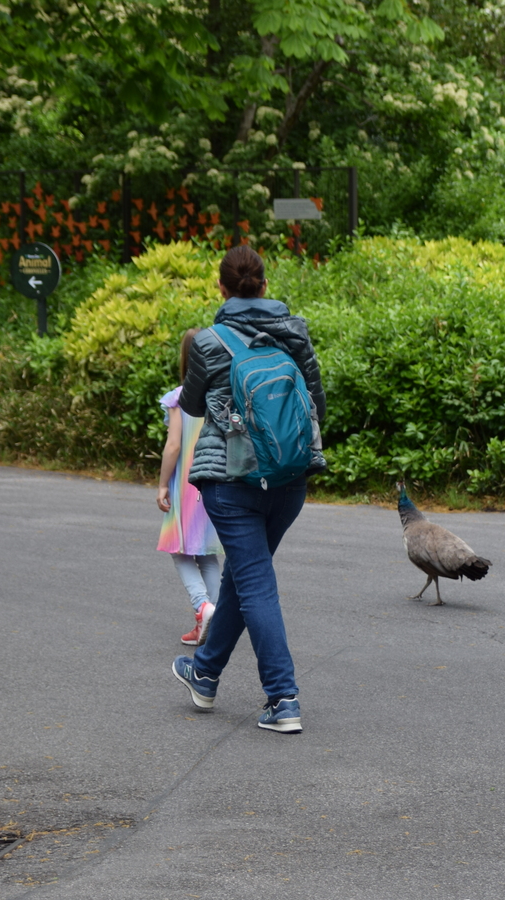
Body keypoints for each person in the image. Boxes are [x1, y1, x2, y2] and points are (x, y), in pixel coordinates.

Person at [170, 244, 326, 734]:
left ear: (222, 287)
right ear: (264, 283)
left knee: (254, 581)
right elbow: (317, 403)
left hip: (231, 481)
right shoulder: (295, 332)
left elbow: (192, 406)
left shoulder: (209, 341)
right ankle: (204, 674)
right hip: (290, 477)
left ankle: (283, 698)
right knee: (244, 575)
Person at [156, 332, 223, 647]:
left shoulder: (179, 398)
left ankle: (202, 606)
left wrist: (161, 485)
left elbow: (173, 446)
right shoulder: (220, 396)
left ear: (185, 358)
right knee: (206, 553)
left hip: (186, 485)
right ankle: (217, 623)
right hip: (215, 482)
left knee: (179, 550)